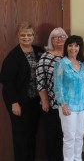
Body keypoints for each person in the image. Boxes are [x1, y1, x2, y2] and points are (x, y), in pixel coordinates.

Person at [1, 21, 44, 161]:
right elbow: (7, 82)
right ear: (18, 36)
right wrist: (14, 102)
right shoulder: (13, 56)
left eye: (29, 34)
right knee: (21, 135)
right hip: (19, 101)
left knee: (32, 133)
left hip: (36, 100)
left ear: (34, 36)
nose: (26, 37)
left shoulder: (39, 51)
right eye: (23, 35)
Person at [53, 35, 84, 161]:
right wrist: (63, 104)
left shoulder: (82, 64)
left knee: (79, 136)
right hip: (68, 106)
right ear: (66, 47)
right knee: (69, 137)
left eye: (76, 45)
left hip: (82, 106)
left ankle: (77, 159)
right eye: (70, 45)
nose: (73, 48)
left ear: (79, 48)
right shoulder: (61, 64)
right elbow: (57, 87)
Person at [36, 27, 68, 161]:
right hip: (52, 103)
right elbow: (40, 79)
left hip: (70, 103)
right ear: (51, 40)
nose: (60, 39)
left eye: (62, 36)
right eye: (56, 37)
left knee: (66, 135)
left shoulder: (71, 54)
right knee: (53, 135)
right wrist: (44, 100)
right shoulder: (46, 56)